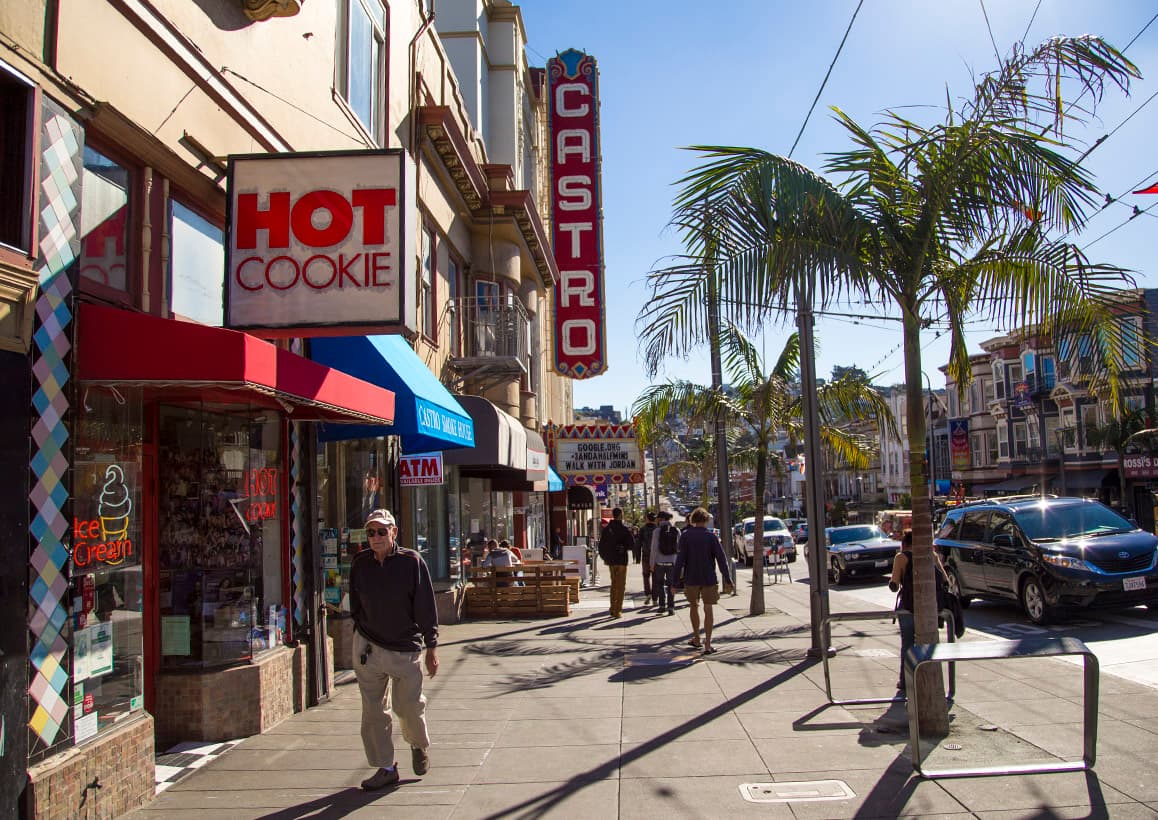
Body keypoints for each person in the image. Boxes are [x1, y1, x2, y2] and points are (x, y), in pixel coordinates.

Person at [349, 509, 438, 790]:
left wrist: (432, 646)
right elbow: (355, 602)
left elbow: (425, 605)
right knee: (373, 711)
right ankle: (385, 767)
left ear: (394, 533)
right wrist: (360, 633)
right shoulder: (360, 563)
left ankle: (418, 744)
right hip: (368, 646)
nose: (375, 537)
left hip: (403, 647)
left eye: (381, 531)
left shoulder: (411, 561)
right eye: (371, 532)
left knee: (407, 706)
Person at [888, 529, 949, 694]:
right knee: (928, 643)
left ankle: (905, 680)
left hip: (907, 607)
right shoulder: (932, 556)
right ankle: (929, 677)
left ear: (905, 543)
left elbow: (893, 585)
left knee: (907, 644)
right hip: (929, 608)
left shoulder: (901, 557)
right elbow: (946, 581)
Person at [673, 507, 734, 654]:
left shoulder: (686, 536)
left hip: (691, 577)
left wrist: (675, 582)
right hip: (708, 577)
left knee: (694, 606)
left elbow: (680, 560)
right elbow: (721, 559)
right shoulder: (711, 536)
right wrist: (728, 578)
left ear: (693, 519)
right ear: (706, 520)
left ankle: (696, 638)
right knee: (708, 608)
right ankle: (708, 644)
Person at [597, 507, 634, 617]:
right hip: (621, 560)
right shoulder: (624, 529)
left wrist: (605, 558)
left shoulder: (607, 529)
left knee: (613, 584)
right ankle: (618, 610)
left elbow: (601, 546)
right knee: (621, 585)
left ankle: (612, 607)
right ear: (620, 515)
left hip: (611, 561)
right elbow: (631, 544)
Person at [650, 510, 679, 616]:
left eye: (658, 518)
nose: (656, 520)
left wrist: (652, 564)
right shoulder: (676, 530)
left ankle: (662, 606)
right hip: (672, 562)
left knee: (660, 584)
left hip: (659, 562)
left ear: (661, 519)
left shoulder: (656, 531)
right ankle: (671, 607)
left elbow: (653, 549)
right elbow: (679, 548)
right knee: (671, 585)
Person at [636, 511, 658, 606]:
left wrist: (637, 557)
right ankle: (655, 598)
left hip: (645, 556)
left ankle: (648, 593)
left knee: (646, 576)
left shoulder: (643, 529)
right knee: (655, 577)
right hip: (656, 557)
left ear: (647, 519)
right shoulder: (658, 529)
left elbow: (638, 544)